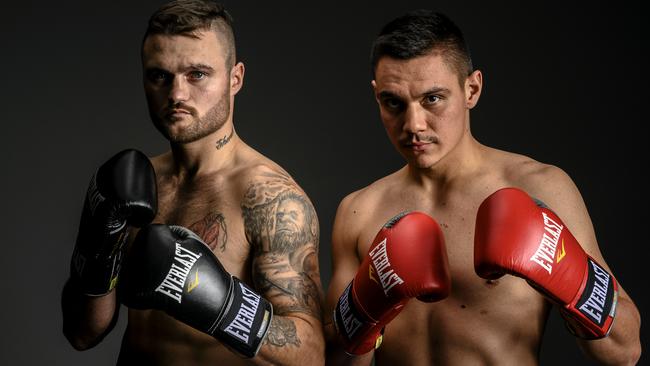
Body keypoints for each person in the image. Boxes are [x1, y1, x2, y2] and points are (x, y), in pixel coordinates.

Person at [325, 9, 641, 366]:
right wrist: (367, 306)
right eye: (393, 103)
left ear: (471, 88)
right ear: (376, 96)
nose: (413, 124)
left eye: (433, 99)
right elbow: (338, 362)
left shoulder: (541, 188)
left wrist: (571, 280)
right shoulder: (359, 211)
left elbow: (624, 351)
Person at [61, 1, 324, 365]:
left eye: (197, 74)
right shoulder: (134, 185)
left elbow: (310, 355)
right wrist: (97, 252)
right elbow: (81, 333)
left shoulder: (270, 199)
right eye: (159, 76)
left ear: (236, 78)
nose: (177, 94)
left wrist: (224, 305)